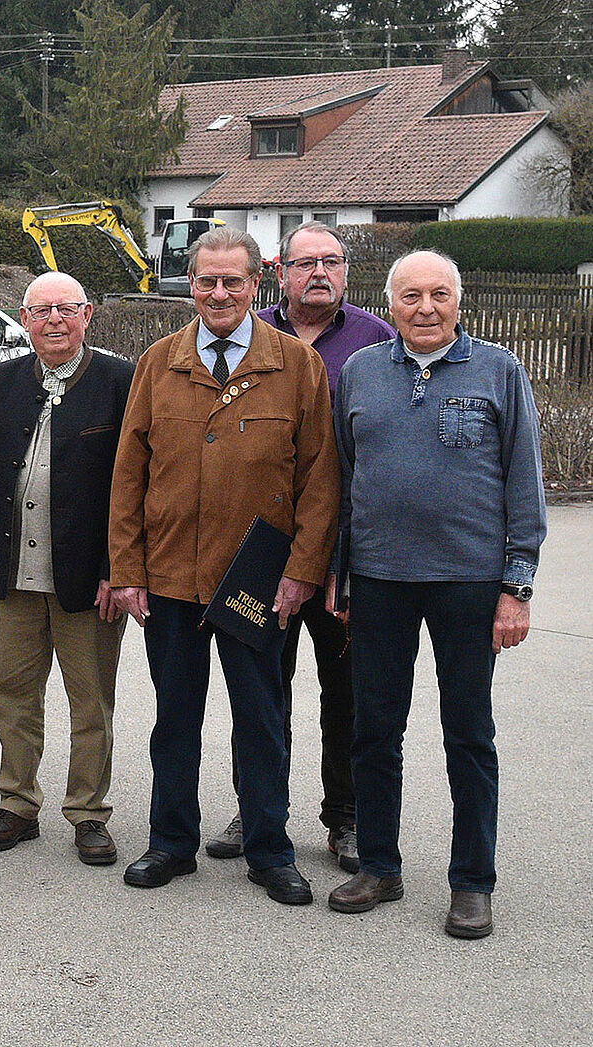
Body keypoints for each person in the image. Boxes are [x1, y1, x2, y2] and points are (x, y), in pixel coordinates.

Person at [108, 226, 339, 906]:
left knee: (261, 718)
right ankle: (171, 842)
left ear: (256, 283)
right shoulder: (158, 362)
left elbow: (321, 480)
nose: (217, 293)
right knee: (174, 716)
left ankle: (270, 850)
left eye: (231, 281)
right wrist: (127, 569)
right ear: (189, 283)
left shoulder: (297, 366)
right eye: (206, 280)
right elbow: (129, 474)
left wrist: (302, 569)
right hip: (171, 577)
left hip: (258, 584)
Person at [327, 250, 544, 940]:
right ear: (390, 304)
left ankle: (472, 882)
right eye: (411, 295)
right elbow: (343, 478)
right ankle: (380, 866)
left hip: (470, 584)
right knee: (373, 731)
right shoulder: (361, 372)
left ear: (458, 301)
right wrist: (344, 573)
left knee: (469, 735)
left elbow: (523, 484)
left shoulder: (499, 371)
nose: (426, 307)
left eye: (439, 294)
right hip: (381, 581)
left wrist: (516, 585)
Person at [202, 221, 395, 873]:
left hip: (344, 552)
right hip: (260, 550)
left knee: (345, 691)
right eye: (306, 261)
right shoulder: (244, 334)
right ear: (279, 271)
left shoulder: (377, 340)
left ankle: (345, 816)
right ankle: (258, 807)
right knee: (260, 686)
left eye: (332, 261)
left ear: (345, 271)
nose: (320, 272)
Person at [0, 271, 134, 864]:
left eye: (66, 309)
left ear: (87, 315)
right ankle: (17, 804)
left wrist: (121, 568)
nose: (53, 321)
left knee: (90, 700)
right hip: (15, 572)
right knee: (12, 692)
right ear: (24, 318)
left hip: (89, 578)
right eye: (41, 311)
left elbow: (133, 486)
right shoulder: (4, 379)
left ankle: (88, 812)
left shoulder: (118, 379)